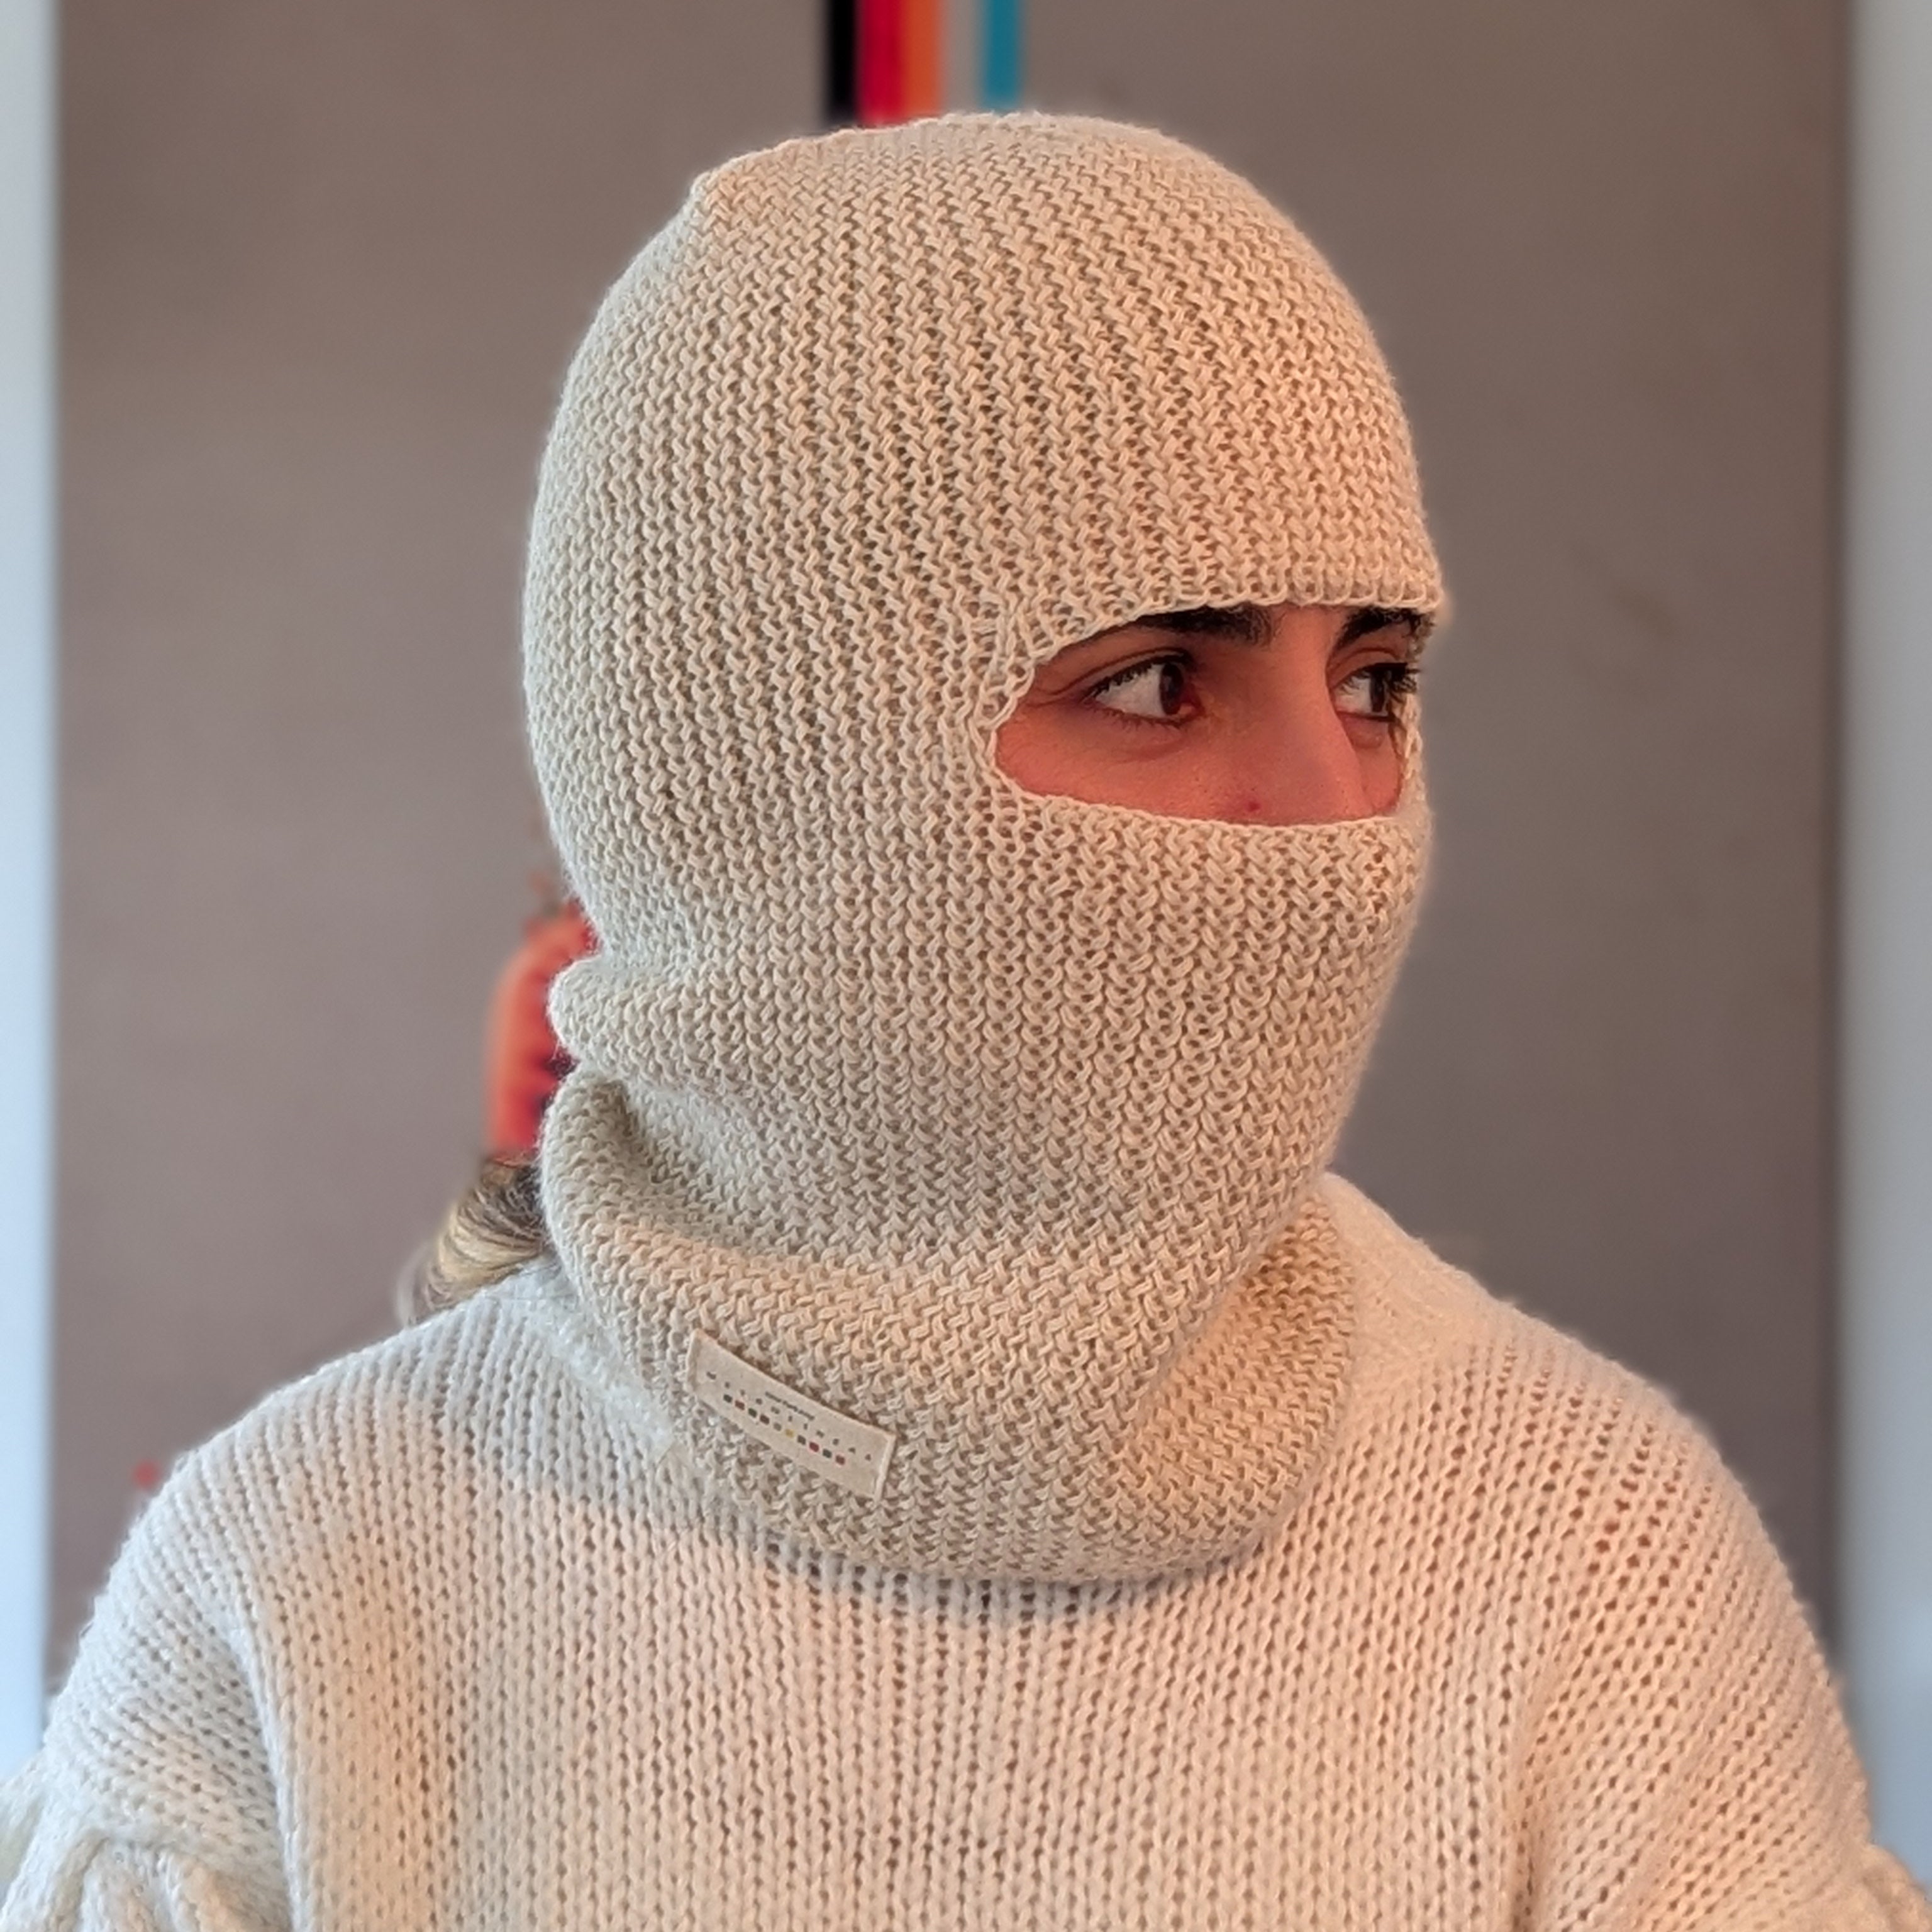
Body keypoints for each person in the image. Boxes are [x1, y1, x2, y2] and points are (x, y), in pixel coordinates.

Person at [2, 113, 1924, 1931]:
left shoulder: (1587, 1553)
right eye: (1162, 677)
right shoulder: (294, 1597)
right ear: (763, 767)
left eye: (1377, 677)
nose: (1338, 812)